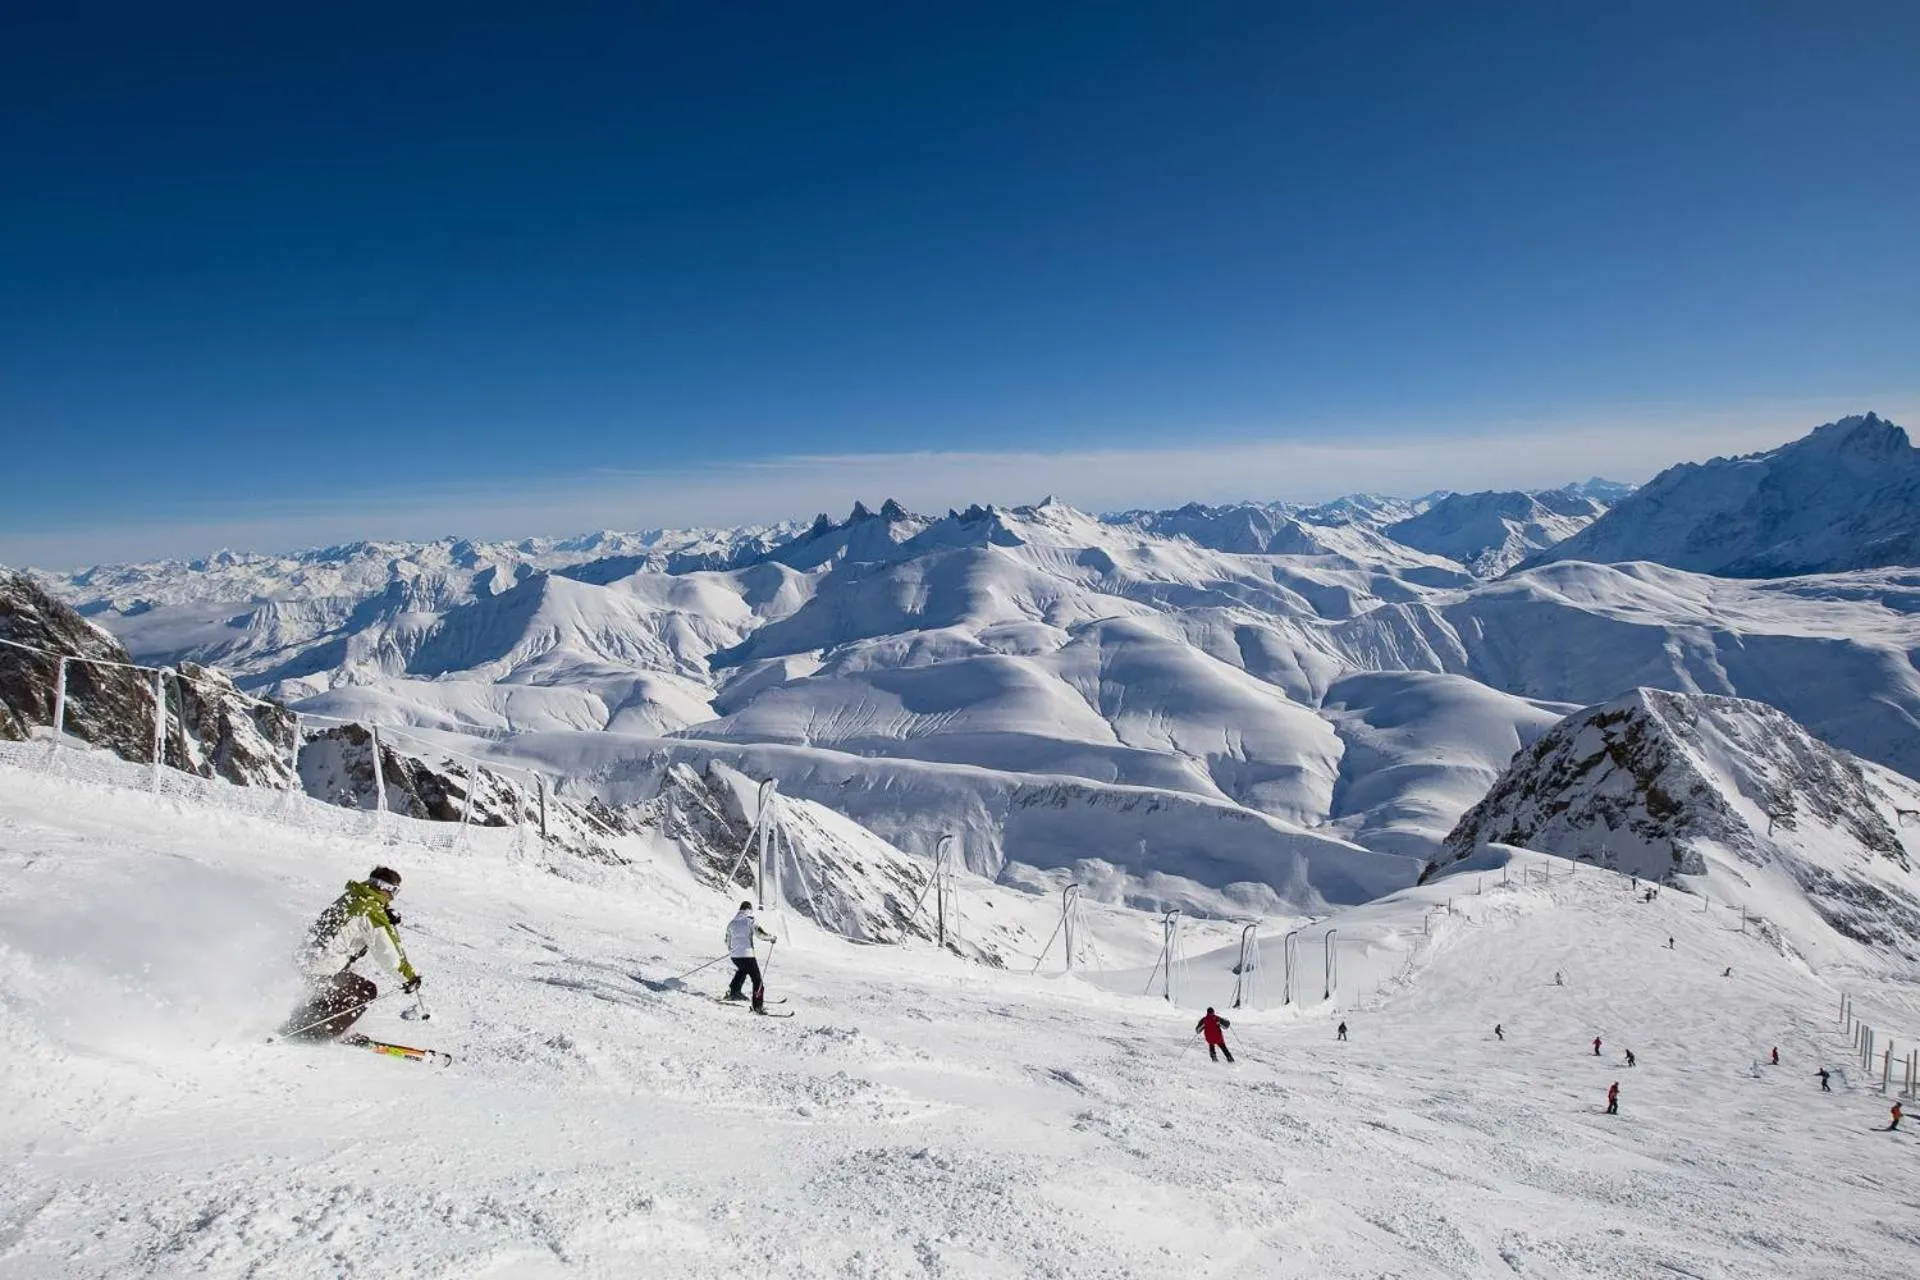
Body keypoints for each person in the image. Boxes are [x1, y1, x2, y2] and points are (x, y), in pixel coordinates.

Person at [280, 866, 421, 1042]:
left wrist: (383, 913)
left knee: (342, 985)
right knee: (364, 991)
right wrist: (409, 978)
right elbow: (388, 953)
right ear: (385, 889)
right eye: (394, 892)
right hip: (320, 968)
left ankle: (299, 1021)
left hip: (306, 959)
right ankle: (320, 1032)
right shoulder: (371, 910)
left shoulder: (354, 896)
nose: (392, 898)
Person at [724, 901, 775, 1010]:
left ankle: (734, 991)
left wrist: (732, 950)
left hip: (735, 956)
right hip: (747, 955)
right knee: (757, 980)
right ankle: (757, 1005)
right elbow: (760, 934)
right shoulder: (750, 921)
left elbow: (727, 940)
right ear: (749, 910)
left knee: (742, 970)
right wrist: (771, 938)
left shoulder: (732, 923)